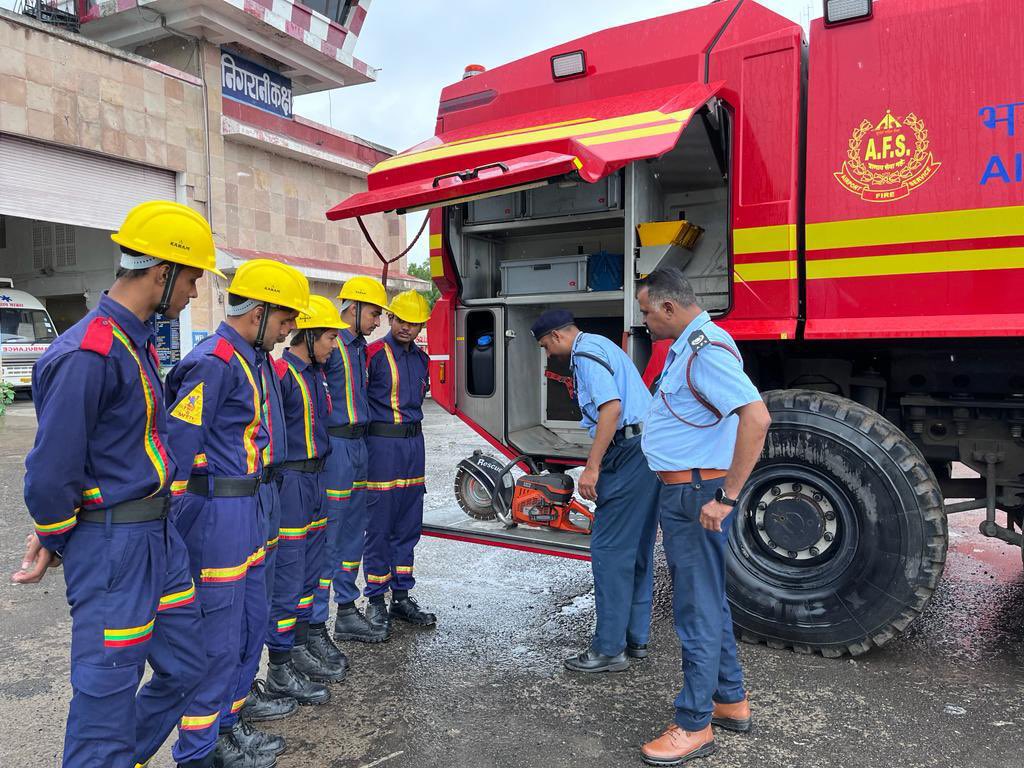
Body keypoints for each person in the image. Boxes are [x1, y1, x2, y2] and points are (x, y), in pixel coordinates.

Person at [11, 200, 218, 768]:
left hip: (159, 538)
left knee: (185, 667)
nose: (194, 292)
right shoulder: (87, 352)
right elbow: (52, 471)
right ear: (161, 272)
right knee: (105, 699)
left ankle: (122, 758)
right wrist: (53, 536)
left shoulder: (135, 341)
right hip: (114, 550)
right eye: (192, 277)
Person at [165, 258, 310, 768]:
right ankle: (201, 748)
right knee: (218, 632)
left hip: (252, 504)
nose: (290, 328)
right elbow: (179, 452)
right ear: (259, 311)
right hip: (220, 512)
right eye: (285, 318)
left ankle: (229, 719)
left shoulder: (251, 357)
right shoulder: (214, 361)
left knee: (249, 621)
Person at [635, 267, 771, 766]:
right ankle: (730, 701)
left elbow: (756, 419)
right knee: (709, 600)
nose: (645, 319)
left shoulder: (705, 351)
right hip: (690, 490)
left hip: (697, 496)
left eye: (648, 311)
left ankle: (694, 724)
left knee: (696, 610)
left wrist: (727, 497)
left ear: (670, 308)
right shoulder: (695, 346)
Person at [530, 309, 659, 674]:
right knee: (636, 549)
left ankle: (608, 650)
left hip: (628, 453)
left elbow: (611, 408)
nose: (549, 354)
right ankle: (634, 639)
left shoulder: (583, 356)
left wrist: (592, 467)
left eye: (545, 346)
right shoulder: (601, 345)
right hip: (645, 451)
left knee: (610, 551)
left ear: (556, 337)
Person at [264, 295, 347, 695]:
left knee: (311, 570)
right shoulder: (281, 374)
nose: (334, 346)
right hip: (292, 481)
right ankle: (280, 663)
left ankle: (299, 646)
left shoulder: (318, 373)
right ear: (310, 335)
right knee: (289, 572)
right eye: (330, 337)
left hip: (316, 478)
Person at [315, 276, 389, 644]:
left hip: (359, 447)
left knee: (353, 533)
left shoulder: (360, 347)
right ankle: (315, 624)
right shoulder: (328, 342)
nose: (378, 322)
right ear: (354, 307)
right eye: (375, 314)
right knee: (329, 535)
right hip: (337, 447)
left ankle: (345, 610)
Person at [362, 290, 436, 634]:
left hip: (413, 445)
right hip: (382, 446)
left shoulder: (422, 359)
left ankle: (402, 596)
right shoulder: (373, 354)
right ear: (391, 319)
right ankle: (376, 599)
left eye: (414, 322)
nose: (407, 327)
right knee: (380, 523)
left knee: (408, 522)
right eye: (402, 320)